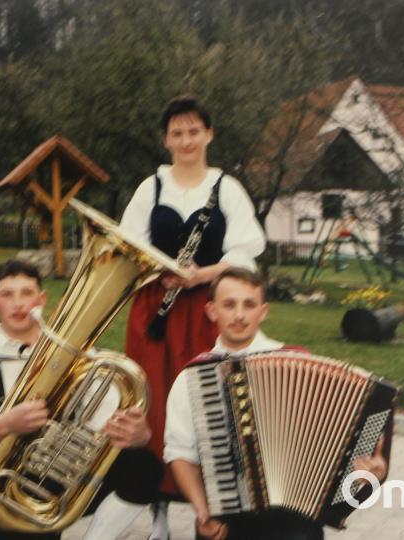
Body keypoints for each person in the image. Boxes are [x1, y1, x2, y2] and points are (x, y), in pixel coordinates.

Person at [119, 95, 266, 537]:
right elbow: (128, 245)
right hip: (157, 313)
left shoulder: (227, 188)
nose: (186, 140)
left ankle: (215, 508)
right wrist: (159, 271)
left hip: (207, 311)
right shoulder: (152, 188)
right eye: (177, 133)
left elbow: (246, 253)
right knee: (156, 404)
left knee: (210, 407)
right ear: (166, 139)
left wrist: (201, 273)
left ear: (209, 134)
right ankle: (158, 513)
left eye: (193, 131)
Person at [0, 259, 163, 539]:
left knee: (144, 466)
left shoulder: (75, 354)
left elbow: (108, 423)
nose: (18, 303)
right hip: (9, 491)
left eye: (27, 293)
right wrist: (7, 424)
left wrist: (135, 434)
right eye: (7, 294)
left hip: (70, 475)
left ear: (42, 299)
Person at [164, 268, 392, 540]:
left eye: (249, 305)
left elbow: (340, 452)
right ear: (211, 311)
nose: (239, 315)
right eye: (229, 304)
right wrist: (202, 511)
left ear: (263, 311)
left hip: (295, 518)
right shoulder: (194, 377)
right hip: (226, 519)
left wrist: (370, 475)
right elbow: (180, 453)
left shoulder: (299, 363)